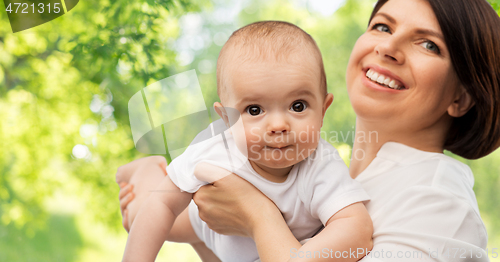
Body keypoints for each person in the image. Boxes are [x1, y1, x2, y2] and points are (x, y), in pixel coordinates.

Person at [116, 0, 500, 261]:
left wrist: (255, 214)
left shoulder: (437, 198)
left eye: (429, 45)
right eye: (382, 26)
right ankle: (147, 173)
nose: (388, 47)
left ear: (462, 98)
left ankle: (149, 174)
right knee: (158, 207)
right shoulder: (339, 172)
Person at [121, 21, 373, 262]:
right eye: (254, 110)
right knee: (140, 213)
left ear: (322, 111)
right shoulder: (214, 151)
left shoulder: (321, 165)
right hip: (203, 221)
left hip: (252, 248)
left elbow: (356, 229)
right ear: (226, 119)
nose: (278, 126)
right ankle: (145, 169)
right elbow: (161, 205)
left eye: (298, 106)